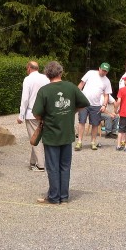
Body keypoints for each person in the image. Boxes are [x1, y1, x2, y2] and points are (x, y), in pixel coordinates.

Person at [32, 61, 89, 204]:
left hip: (51, 134)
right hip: (67, 133)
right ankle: (64, 197)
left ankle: (54, 197)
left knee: (52, 167)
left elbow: (37, 113)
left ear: (47, 75)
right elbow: (84, 103)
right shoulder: (71, 87)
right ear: (61, 72)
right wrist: (71, 111)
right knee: (65, 166)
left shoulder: (44, 90)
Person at [17, 61, 50, 172]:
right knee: (37, 136)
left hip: (32, 113)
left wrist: (21, 115)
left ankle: (40, 165)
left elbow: (25, 99)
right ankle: (32, 162)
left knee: (35, 138)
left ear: (29, 68)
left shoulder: (28, 79)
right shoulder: (46, 78)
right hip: (45, 112)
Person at [75, 62, 112, 151]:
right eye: (103, 70)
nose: (103, 72)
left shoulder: (107, 81)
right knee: (82, 121)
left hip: (96, 105)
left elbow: (106, 95)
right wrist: (75, 95)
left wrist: (104, 105)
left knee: (95, 124)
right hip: (84, 103)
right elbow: (81, 84)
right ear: (99, 68)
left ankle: (93, 142)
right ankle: (79, 141)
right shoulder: (90, 73)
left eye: (105, 71)